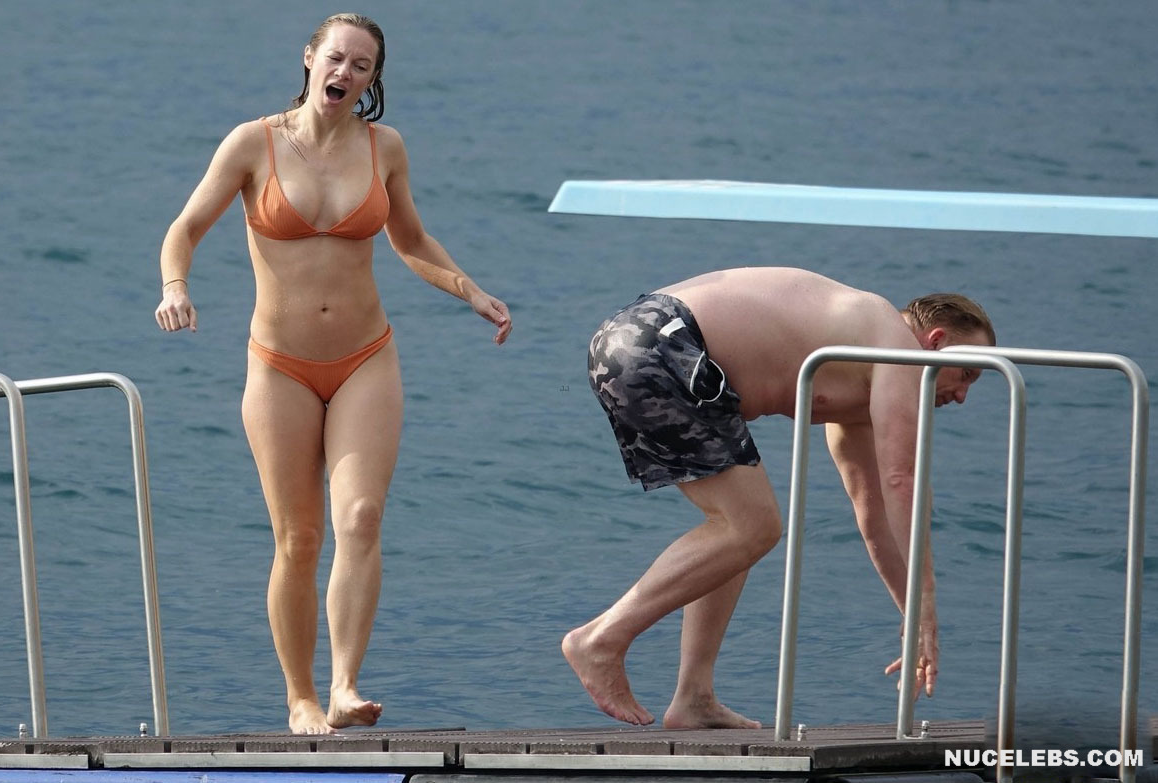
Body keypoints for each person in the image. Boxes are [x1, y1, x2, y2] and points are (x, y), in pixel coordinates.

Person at [154, 13, 511, 734]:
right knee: (299, 538)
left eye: (362, 65)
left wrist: (468, 289)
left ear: (372, 80)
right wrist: (175, 286)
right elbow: (184, 228)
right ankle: (301, 698)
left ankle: (345, 685)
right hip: (279, 366)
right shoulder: (252, 143)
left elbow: (411, 239)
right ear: (310, 59)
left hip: (364, 357)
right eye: (337, 58)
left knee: (361, 517)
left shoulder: (384, 147)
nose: (345, 72)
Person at [563, 266, 994, 729]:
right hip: (663, 339)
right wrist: (926, 598)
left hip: (632, 338)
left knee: (739, 529)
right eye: (966, 373)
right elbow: (901, 480)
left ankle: (694, 697)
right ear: (935, 341)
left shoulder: (858, 362)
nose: (963, 396)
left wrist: (911, 614)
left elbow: (872, 510)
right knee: (751, 527)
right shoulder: (895, 347)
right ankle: (601, 640)